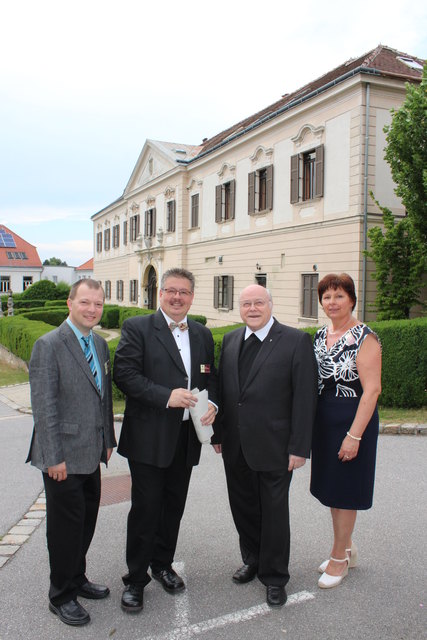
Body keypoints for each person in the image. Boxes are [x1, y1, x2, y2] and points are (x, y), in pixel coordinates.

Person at [113, 267, 218, 613]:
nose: (177, 297)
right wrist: (165, 396)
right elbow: (124, 374)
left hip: (186, 437)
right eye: (171, 291)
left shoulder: (202, 334)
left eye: (184, 292)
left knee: (173, 506)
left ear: (191, 297)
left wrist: (213, 404)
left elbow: (209, 377)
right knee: (146, 509)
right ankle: (136, 580)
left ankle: (162, 565)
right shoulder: (138, 328)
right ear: (160, 294)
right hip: (148, 437)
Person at [212, 284, 317, 607]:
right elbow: (224, 390)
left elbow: (305, 398)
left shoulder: (295, 340)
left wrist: (299, 447)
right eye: (246, 304)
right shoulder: (231, 340)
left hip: (276, 446)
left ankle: (274, 576)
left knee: (273, 512)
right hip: (235, 444)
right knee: (243, 507)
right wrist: (218, 433)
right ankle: (252, 559)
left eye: (259, 303)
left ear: (270, 305)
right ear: (239, 309)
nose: (253, 309)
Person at [27, 278, 116, 626]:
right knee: (64, 529)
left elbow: (102, 396)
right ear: (70, 303)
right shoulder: (49, 345)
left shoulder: (99, 343)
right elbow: (44, 406)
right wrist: (53, 458)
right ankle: (61, 594)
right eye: (85, 303)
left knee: (85, 523)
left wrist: (108, 439)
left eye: (98, 304)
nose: (92, 309)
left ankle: (77, 578)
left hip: (91, 452)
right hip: (61, 457)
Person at [310, 273, 382, 589]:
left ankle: (339, 558)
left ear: (351, 299)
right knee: (332, 490)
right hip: (324, 421)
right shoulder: (319, 334)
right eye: (327, 297)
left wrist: (354, 436)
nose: (332, 302)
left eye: (339, 296)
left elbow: (372, 391)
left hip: (353, 420)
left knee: (346, 491)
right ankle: (347, 549)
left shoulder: (364, 337)